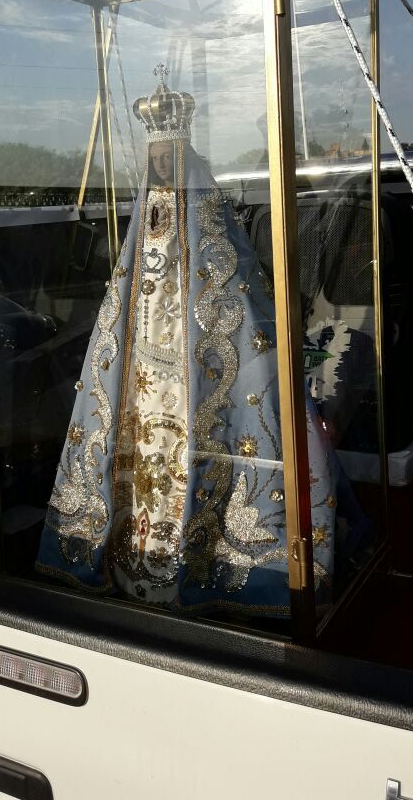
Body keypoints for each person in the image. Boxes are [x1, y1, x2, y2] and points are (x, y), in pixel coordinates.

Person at [37, 65, 367, 613]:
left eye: (169, 160)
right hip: (145, 369)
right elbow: (125, 306)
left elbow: (236, 303)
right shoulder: (144, 222)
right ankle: (131, 555)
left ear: (185, 157)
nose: (162, 171)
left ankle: (209, 560)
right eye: (155, 161)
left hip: (197, 363)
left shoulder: (210, 229)